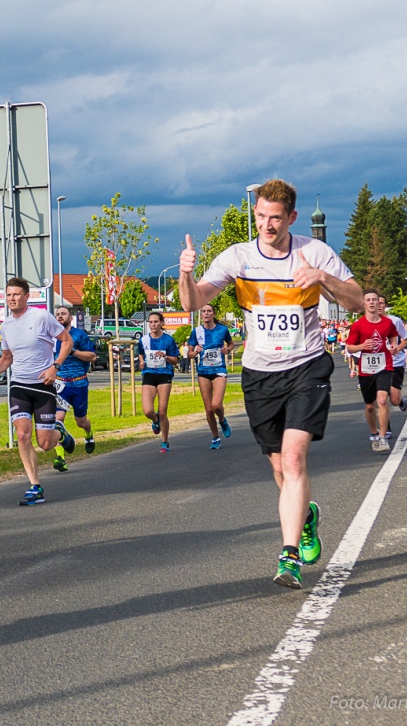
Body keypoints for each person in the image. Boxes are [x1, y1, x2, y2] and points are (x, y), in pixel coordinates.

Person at [179, 179, 363, 590]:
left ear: (292, 218)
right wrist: (185, 274)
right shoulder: (238, 257)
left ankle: (289, 555)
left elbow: (354, 299)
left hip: (306, 367)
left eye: (275, 218)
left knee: (295, 459)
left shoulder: (314, 252)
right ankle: (307, 516)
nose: (266, 224)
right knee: (279, 466)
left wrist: (321, 278)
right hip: (259, 374)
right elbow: (192, 302)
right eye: (260, 216)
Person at [0, 277, 74, 505]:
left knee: (45, 443)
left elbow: (67, 341)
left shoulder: (41, 317)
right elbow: (7, 358)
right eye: (9, 295)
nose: (12, 299)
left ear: (26, 296)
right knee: (22, 434)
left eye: (16, 294)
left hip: (43, 385)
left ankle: (59, 432)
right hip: (19, 385)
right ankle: (35, 486)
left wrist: (55, 366)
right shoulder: (5, 326)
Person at [346, 290, 399, 453]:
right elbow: (349, 346)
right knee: (370, 405)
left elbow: (393, 336)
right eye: (368, 300)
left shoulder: (387, 323)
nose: (371, 302)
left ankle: (383, 437)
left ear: (378, 303)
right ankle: (374, 432)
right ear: (364, 304)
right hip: (366, 368)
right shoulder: (358, 325)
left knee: (382, 400)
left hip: (385, 366)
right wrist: (362, 347)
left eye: (374, 300)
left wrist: (392, 345)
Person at [51, 306, 97, 473]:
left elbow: (92, 357)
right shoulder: (52, 336)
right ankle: (60, 457)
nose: (60, 316)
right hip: (60, 384)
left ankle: (88, 434)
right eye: (57, 314)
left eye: (63, 314)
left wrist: (74, 352)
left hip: (78, 383)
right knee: (56, 421)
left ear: (70, 317)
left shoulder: (79, 335)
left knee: (81, 421)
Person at [188, 305, 235, 450]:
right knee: (208, 409)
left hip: (219, 370)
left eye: (209, 311)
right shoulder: (196, 332)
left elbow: (231, 344)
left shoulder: (222, 330)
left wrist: (227, 349)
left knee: (216, 405)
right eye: (203, 311)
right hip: (203, 371)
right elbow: (189, 353)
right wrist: (195, 351)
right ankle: (215, 437)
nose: (206, 313)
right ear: (201, 315)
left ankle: (222, 420)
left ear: (213, 314)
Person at [138, 312, 180, 452]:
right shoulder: (143, 340)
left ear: (162, 323)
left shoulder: (168, 340)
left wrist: (166, 356)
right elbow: (140, 354)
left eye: (156, 322)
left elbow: (175, 360)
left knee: (162, 411)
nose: (153, 324)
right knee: (147, 410)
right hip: (149, 374)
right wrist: (142, 361)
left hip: (164, 375)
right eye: (151, 322)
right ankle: (155, 421)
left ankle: (165, 441)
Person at [377, 296, 407, 429]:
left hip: (395, 363)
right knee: (381, 399)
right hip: (377, 365)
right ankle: (386, 429)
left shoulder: (395, 321)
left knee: (394, 400)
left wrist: (397, 349)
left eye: (381, 303)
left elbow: (406, 339)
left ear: (385, 305)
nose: (378, 305)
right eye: (375, 303)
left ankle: (401, 401)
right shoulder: (367, 321)